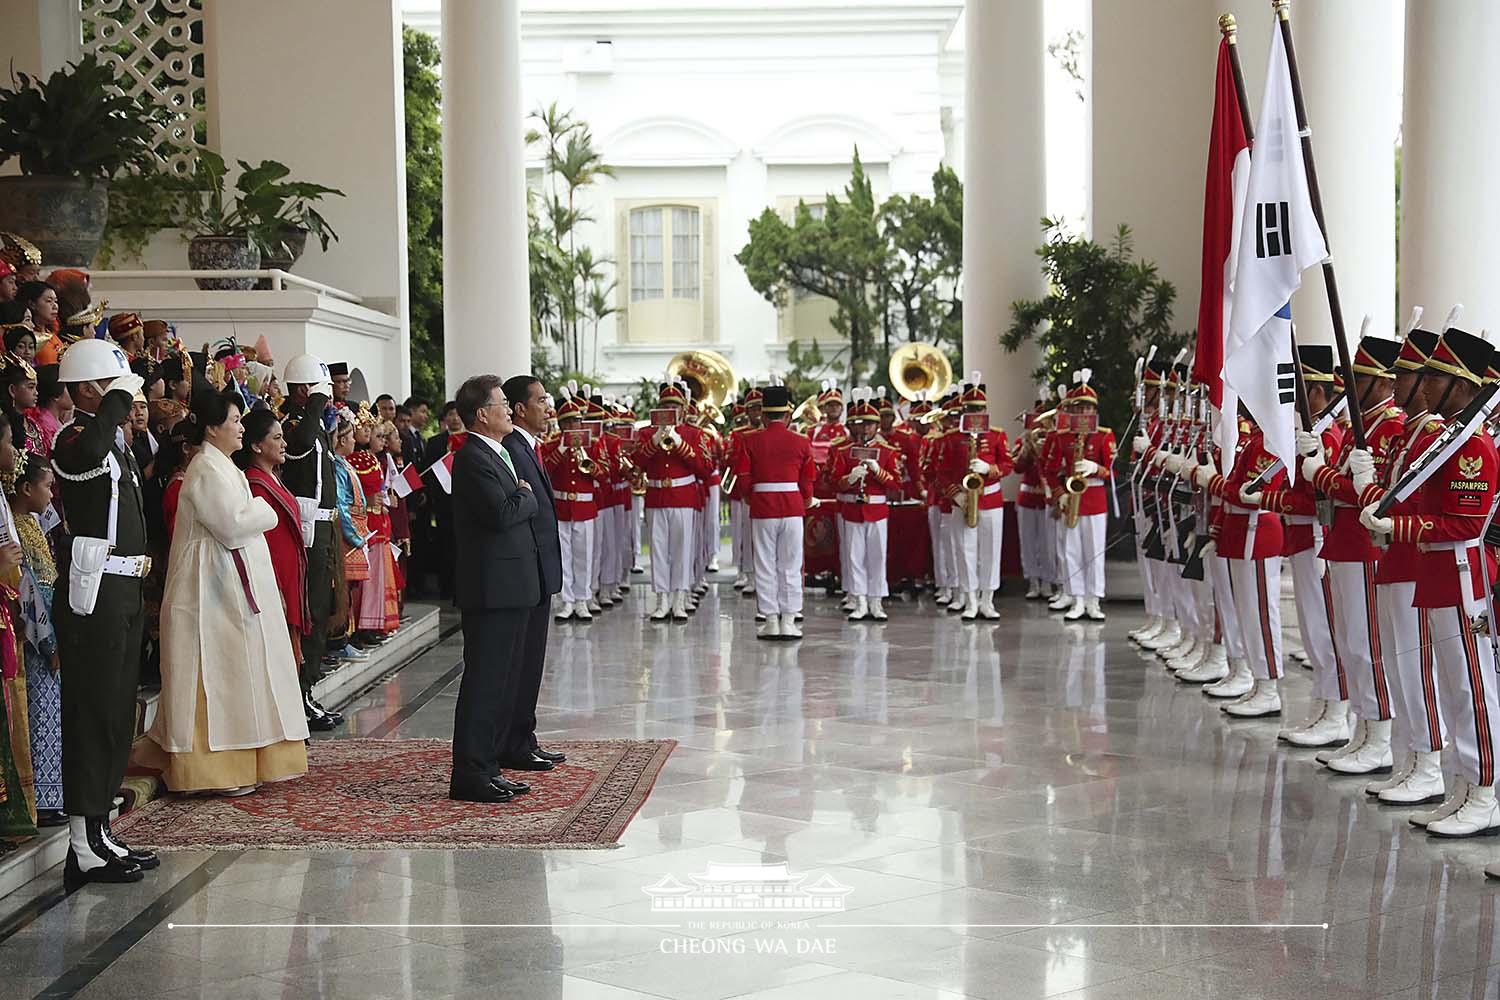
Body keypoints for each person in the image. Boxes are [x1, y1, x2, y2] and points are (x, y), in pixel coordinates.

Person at [136, 390, 309, 795]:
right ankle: (212, 770)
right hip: (208, 589)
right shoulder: (205, 469)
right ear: (212, 428)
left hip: (231, 588)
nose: (241, 427)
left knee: (240, 672)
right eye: (234, 420)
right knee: (215, 675)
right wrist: (265, 512)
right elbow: (230, 527)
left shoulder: (225, 466)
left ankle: (246, 761)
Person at [1363, 328, 1500, 841]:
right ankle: (1464, 787)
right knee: (1452, 686)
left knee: (1472, 689)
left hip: (1462, 576)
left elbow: (1467, 525)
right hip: (1437, 572)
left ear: (1460, 386)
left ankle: (1486, 792)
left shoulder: (1474, 448)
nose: (1421, 388)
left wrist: (1397, 527)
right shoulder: (1450, 439)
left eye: (1434, 379)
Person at [50, 339, 156, 886]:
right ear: (89, 388)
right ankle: (80, 843)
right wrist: (116, 399)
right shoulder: (73, 440)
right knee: (92, 715)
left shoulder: (113, 440)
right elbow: (87, 453)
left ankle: (100, 832)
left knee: (116, 714)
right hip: (95, 596)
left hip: (124, 592)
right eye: (114, 389)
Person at [448, 374, 541, 804]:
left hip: (511, 588)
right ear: (482, 414)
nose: (509, 408)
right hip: (491, 591)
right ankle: (471, 772)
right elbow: (501, 514)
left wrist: (520, 494)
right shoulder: (471, 457)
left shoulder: (496, 452)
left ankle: (488, 767)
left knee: (501, 682)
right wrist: (524, 495)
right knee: (484, 682)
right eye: (502, 403)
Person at [501, 375, 567, 771]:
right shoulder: (513, 448)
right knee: (521, 663)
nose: (549, 406)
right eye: (541, 400)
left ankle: (524, 737)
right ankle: (515, 742)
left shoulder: (529, 447)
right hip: (527, 571)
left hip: (539, 569)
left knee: (532, 661)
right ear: (520, 408)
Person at [278, 353, 343, 731]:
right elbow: (298, 445)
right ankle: (299, 692)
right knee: (310, 608)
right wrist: (316, 404)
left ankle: (308, 689)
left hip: (323, 526)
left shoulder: (314, 424)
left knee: (322, 607)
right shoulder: (294, 423)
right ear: (303, 390)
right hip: (307, 529)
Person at [734, 384, 815, 640]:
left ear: (764, 415)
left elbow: (744, 477)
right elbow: (808, 479)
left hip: (763, 505)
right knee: (791, 563)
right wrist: (807, 500)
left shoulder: (749, 440)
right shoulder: (802, 441)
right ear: (787, 415)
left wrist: (751, 497)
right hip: (792, 505)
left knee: (765, 563)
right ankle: (790, 619)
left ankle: (770, 619)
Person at [237, 409, 311, 670]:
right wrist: (275, 587)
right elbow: (264, 543)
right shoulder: (255, 484)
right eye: (277, 438)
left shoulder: (273, 478)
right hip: (276, 580)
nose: (285, 444)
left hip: (290, 576)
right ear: (256, 445)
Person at [635, 380, 711, 621]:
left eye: (674, 405)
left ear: (683, 408)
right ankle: (661, 599)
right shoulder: (646, 433)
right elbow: (636, 462)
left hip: (683, 497)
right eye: (666, 404)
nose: (670, 409)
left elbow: (705, 468)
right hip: (657, 496)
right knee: (658, 551)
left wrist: (679, 443)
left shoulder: (693, 433)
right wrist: (656, 440)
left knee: (682, 550)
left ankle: (679, 598)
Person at [12, 454, 60, 826]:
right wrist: (49, 642)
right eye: (47, 485)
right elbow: (34, 587)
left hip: (49, 628)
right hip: (36, 637)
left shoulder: (31, 523)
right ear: (26, 488)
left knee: (52, 714)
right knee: (41, 714)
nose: (51, 493)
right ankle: (42, 800)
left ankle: (53, 793)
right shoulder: (16, 529)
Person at [831, 389, 899, 621]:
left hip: (877, 510)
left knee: (877, 557)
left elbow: (895, 483)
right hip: (852, 510)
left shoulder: (887, 452)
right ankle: (859, 600)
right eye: (861, 424)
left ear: (877, 426)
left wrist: (877, 471)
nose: (866, 429)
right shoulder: (843, 451)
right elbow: (834, 482)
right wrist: (849, 478)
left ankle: (876, 601)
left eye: (870, 424)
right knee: (854, 556)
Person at [543, 389, 603, 622]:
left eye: (576, 421)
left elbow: (604, 474)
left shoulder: (593, 444)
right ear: (562, 424)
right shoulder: (553, 444)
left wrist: (586, 461)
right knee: (563, 556)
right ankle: (567, 601)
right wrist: (561, 450)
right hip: (561, 509)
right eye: (568, 422)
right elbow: (545, 469)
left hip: (585, 509)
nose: (573, 425)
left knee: (583, 556)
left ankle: (582, 599)